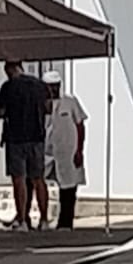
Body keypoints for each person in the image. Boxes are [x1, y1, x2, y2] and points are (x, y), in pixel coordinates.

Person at [0, 61, 49, 230]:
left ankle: (23, 220)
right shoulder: (39, 85)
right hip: (37, 137)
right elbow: (48, 108)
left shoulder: (8, 86)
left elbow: (0, 113)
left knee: (19, 180)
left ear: (9, 70)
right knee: (39, 179)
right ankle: (44, 220)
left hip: (16, 138)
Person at [44, 77, 88, 229]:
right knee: (37, 182)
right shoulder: (42, 104)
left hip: (68, 152)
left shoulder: (69, 102)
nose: (53, 90)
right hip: (47, 153)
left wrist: (79, 150)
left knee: (69, 188)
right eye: (50, 86)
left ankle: (66, 222)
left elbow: (80, 125)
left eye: (56, 86)